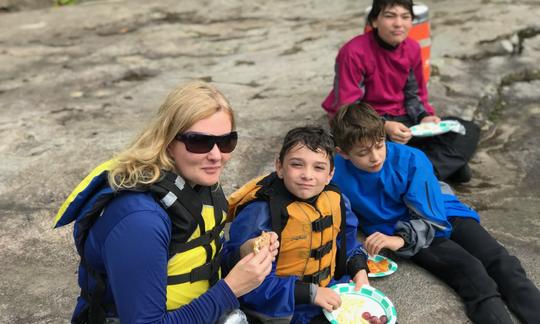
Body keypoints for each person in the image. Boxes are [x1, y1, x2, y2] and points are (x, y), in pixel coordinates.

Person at [53, 81, 278, 324]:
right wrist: (231, 289)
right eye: (198, 142)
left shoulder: (198, 182)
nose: (216, 155)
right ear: (168, 142)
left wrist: (242, 254)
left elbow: (193, 263)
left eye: (226, 141)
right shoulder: (140, 221)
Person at [329, 102, 540, 324]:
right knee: (471, 272)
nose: (375, 157)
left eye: (380, 144)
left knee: (501, 261)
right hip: (402, 228)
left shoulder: (412, 159)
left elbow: (433, 217)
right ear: (342, 153)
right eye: (363, 152)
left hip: (439, 215)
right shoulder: (334, 173)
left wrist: (398, 240)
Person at [222, 126, 369, 324]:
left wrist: (359, 269)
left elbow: (348, 243)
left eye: (318, 167)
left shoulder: (337, 200)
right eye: (297, 164)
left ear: (330, 174)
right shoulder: (261, 212)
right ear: (280, 167)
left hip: (330, 294)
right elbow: (245, 280)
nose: (307, 175)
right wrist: (310, 293)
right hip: (281, 310)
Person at [322, 0, 480, 183]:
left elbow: (415, 94)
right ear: (374, 21)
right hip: (369, 124)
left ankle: (427, 172)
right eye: (390, 16)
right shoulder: (353, 52)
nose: (398, 24)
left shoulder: (412, 48)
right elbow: (348, 109)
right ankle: (444, 166)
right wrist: (384, 126)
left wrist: (424, 117)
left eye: (405, 17)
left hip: (405, 121)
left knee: (467, 130)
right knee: (368, 152)